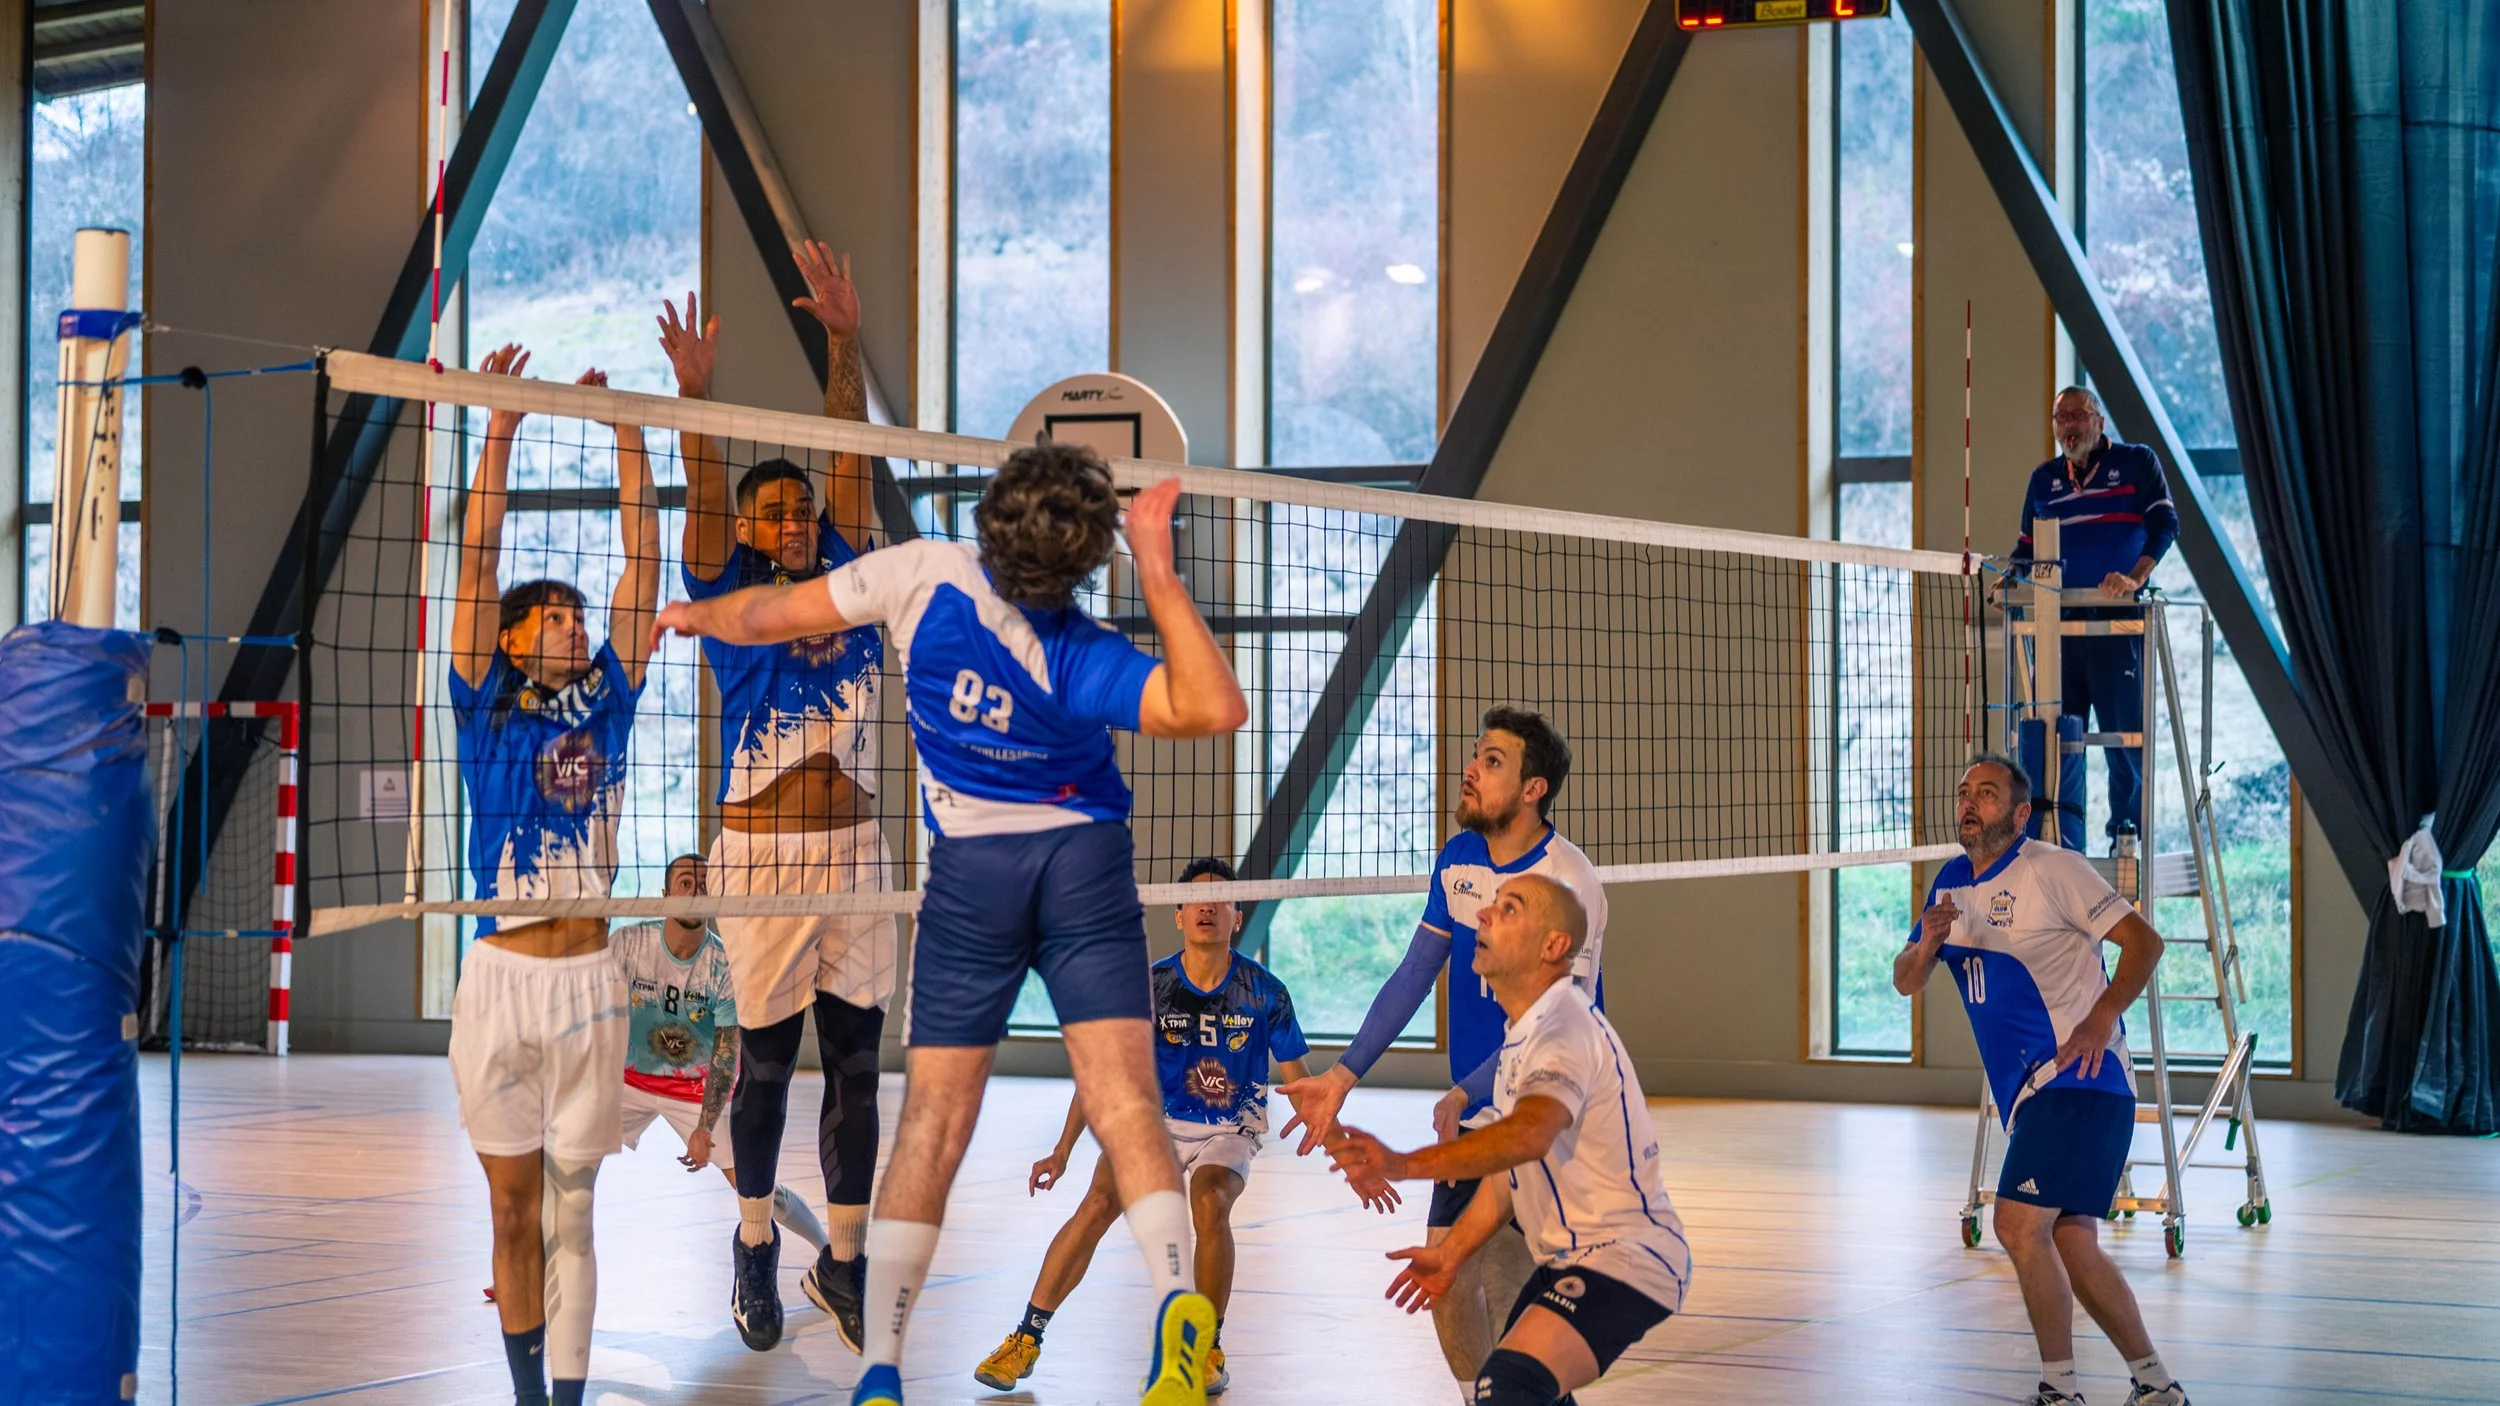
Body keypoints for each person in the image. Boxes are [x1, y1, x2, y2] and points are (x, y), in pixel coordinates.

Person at [653, 442, 1249, 1406]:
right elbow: (1217, 704)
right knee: (1128, 1105)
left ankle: (883, 1366)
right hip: (1084, 867)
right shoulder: (1083, 656)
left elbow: (765, 611)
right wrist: (1159, 565)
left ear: (990, 520)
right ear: (1085, 559)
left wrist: (694, 614)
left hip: (973, 877)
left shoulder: (923, 575)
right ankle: (1179, 1301)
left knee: (930, 1122)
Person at [655, 242, 893, 1352]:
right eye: (775, 510)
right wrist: (696, 404)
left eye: (804, 508)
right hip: (761, 860)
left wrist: (845, 340)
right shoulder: (726, 587)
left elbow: (848, 447)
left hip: (859, 859)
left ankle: (842, 1260)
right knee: (764, 1063)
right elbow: (704, 490)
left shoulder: (847, 564)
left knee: (855, 1058)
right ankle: (754, 1239)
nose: (795, 518)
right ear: (750, 530)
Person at [973, 857, 1397, 1397]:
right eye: (1197, 899)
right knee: (1099, 1202)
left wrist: (1348, 1157)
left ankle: (1205, 1348)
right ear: (1176, 915)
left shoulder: (1266, 992)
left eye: (1222, 899)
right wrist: (1061, 1151)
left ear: (1237, 916)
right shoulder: (1148, 988)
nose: (1208, 907)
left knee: (1210, 1199)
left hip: (1230, 1125)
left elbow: (1304, 1089)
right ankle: (1025, 1340)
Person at [445, 347, 658, 1406]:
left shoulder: (607, 700)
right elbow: (476, 556)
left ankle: (563, 1403)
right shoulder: (482, 695)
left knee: (575, 1212)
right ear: (512, 639)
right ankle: (526, 1394)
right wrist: (499, 428)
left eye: (581, 616)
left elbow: (643, 566)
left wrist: (624, 428)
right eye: (556, 617)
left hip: (589, 981)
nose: (577, 625)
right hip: (499, 981)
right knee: (512, 1214)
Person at [1276, 706, 1604, 1388]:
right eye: (1475, 755)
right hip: (1481, 1110)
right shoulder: (1458, 860)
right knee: (1450, 1276)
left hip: (1547, 1110)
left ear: (1533, 788)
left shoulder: (1569, 883)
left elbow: (1563, 1024)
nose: (1471, 768)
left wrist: (1465, 1090)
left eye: (1492, 761)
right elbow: (1415, 971)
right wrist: (1341, 1075)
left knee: (1506, 1293)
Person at [1325, 874, 1687, 1406]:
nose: (1484, 916)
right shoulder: (1521, 1039)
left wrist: (1402, 1164)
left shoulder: (1563, 1029)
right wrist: (1451, 1255)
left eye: (1509, 908)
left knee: (1508, 1385)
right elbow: (1504, 1183)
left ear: (1553, 946)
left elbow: (1530, 1135)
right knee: (1525, 1388)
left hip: (1625, 1259)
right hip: (1570, 1260)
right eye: (1490, 906)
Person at [1895, 755, 2190, 1406]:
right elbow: (1906, 980)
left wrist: (2100, 1017)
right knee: (2071, 1240)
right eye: (1964, 791)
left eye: (1988, 794)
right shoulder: (1947, 883)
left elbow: (2146, 943)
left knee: (2018, 1223)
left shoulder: (2053, 870)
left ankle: (2060, 1390)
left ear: (2021, 813)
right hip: (2035, 1099)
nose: (1970, 803)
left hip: (2081, 1078)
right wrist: (1927, 943)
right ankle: (2155, 1386)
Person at [611, 853, 828, 1253]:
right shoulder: (629, 943)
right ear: (665, 895)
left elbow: (727, 1056)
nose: (696, 894)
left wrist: (704, 1127)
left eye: (706, 886)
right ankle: (523, 1271)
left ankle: (831, 1253)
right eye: (685, 885)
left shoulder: (725, 963)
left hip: (696, 1091)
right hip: (627, 1080)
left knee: (756, 1188)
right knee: (561, 1161)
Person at [2007, 386, 2178, 852]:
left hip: (2116, 622)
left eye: (2078, 415)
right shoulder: (2043, 479)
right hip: (2056, 624)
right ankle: (2062, 836)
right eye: (2060, 417)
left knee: (2125, 736)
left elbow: (2166, 524)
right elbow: (2026, 548)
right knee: (2059, 737)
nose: (2068, 426)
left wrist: (2134, 577)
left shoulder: (2137, 462)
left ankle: (2125, 829)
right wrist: (2006, 576)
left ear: (2099, 421)